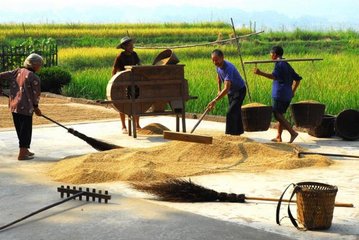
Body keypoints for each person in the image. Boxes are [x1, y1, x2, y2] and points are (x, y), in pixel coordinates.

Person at [253, 46, 302, 143]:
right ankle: (279, 136)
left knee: (276, 114)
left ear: (274, 54)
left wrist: (260, 73)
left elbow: (274, 76)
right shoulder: (287, 64)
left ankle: (293, 133)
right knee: (281, 115)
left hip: (280, 94)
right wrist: (292, 91)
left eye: (271, 54)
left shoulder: (279, 64)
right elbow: (297, 79)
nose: (270, 56)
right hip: (287, 94)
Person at [0, 53, 43, 160]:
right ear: (34, 64)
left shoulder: (16, 71)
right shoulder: (34, 77)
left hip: (14, 106)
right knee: (26, 130)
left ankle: (25, 150)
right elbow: (35, 95)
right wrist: (36, 108)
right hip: (26, 107)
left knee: (20, 129)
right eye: (40, 64)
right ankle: (22, 153)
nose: (40, 67)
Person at [207, 49, 247, 135]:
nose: (214, 62)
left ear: (222, 58)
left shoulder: (228, 68)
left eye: (216, 60)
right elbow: (219, 77)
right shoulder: (218, 66)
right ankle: (238, 133)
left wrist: (215, 100)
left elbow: (227, 88)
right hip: (231, 92)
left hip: (239, 90)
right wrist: (219, 89)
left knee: (230, 112)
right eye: (213, 60)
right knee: (236, 111)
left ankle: (230, 135)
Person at [112, 36, 141, 134]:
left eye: (132, 45)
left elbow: (139, 66)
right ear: (124, 46)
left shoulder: (135, 55)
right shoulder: (120, 56)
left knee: (137, 102)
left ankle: (137, 124)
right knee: (122, 104)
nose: (132, 46)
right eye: (129, 45)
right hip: (123, 81)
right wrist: (113, 82)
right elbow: (114, 69)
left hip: (134, 81)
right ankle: (123, 126)